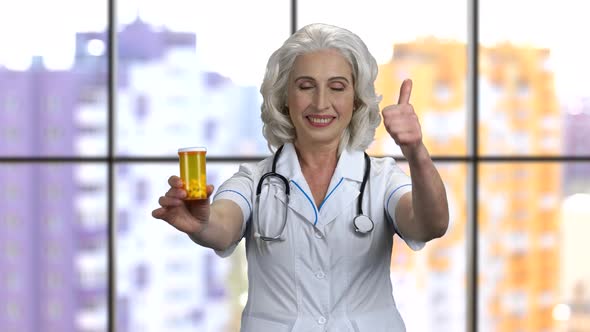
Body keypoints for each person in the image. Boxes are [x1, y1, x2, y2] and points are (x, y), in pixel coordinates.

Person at [152, 23, 449, 332]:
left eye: (337, 87)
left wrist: (416, 151)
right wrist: (202, 223)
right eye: (306, 86)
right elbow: (223, 226)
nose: (321, 103)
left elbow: (431, 224)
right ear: (284, 98)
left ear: (356, 100)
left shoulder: (382, 179)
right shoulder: (254, 181)